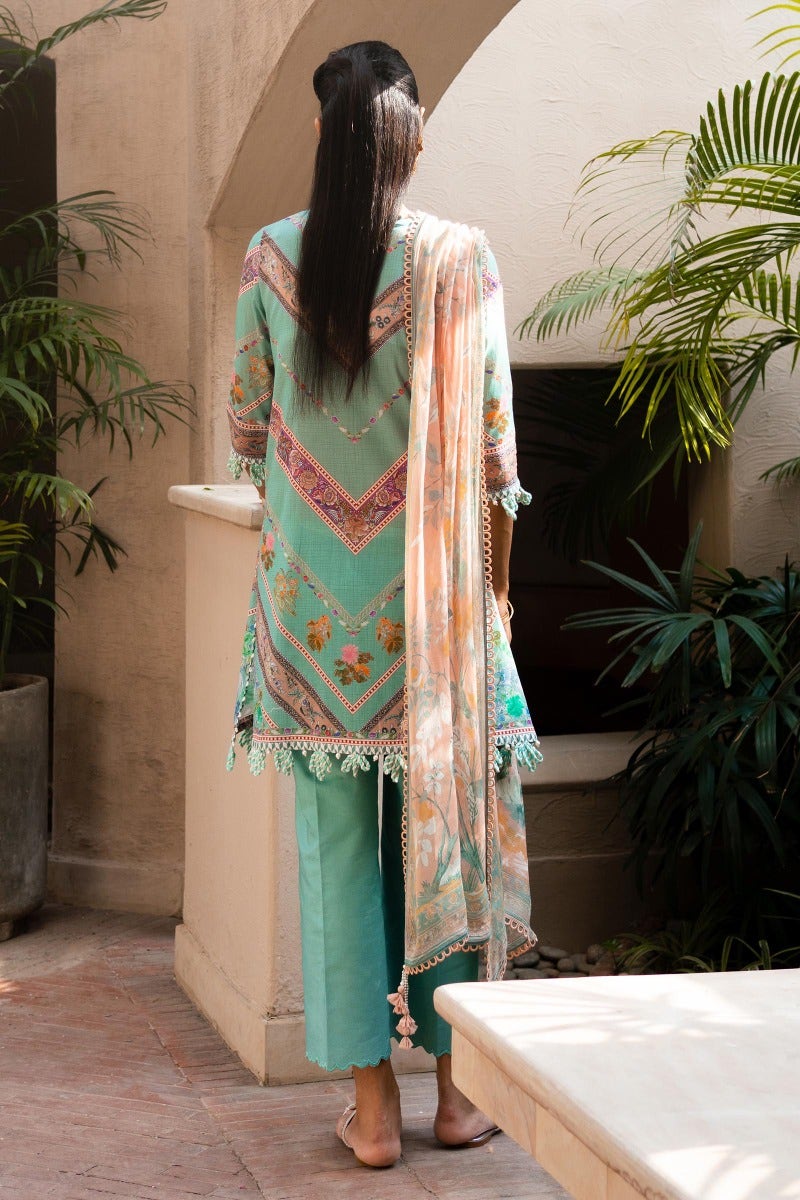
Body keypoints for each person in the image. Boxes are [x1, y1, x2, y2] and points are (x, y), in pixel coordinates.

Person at [225, 40, 541, 1168]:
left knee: (334, 855)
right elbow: (496, 457)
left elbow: (249, 432)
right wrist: (495, 597)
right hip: (435, 620)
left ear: (323, 135)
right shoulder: (460, 258)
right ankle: (455, 1098)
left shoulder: (269, 259)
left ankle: (369, 1113)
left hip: (310, 616)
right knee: (441, 836)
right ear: (414, 136)